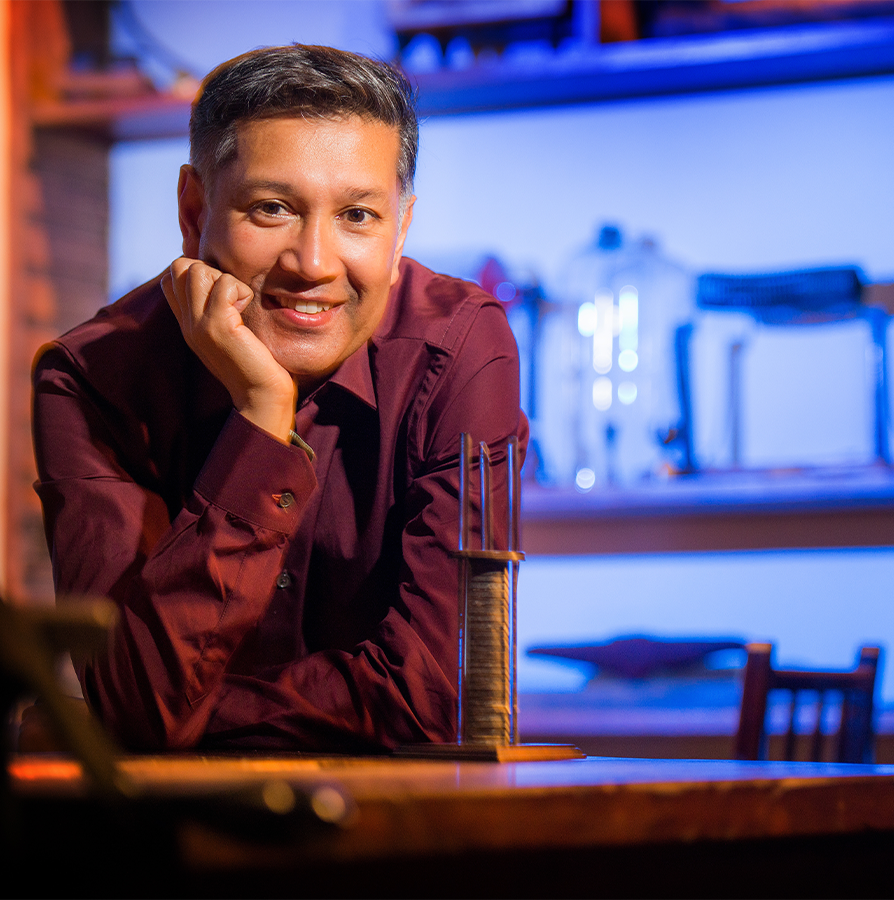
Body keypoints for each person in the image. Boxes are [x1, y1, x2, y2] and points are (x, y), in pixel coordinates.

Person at [31, 45, 526, 753]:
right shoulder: (92, 376)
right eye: (272, 208)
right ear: (193, 209)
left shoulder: (461, 348)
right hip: (170, 850)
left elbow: (439, 700)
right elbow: (138, 704)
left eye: (358, 215)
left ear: (401, 229)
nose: (315, 263)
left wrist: (169, 721)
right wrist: (263, 415)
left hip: (407, 838)